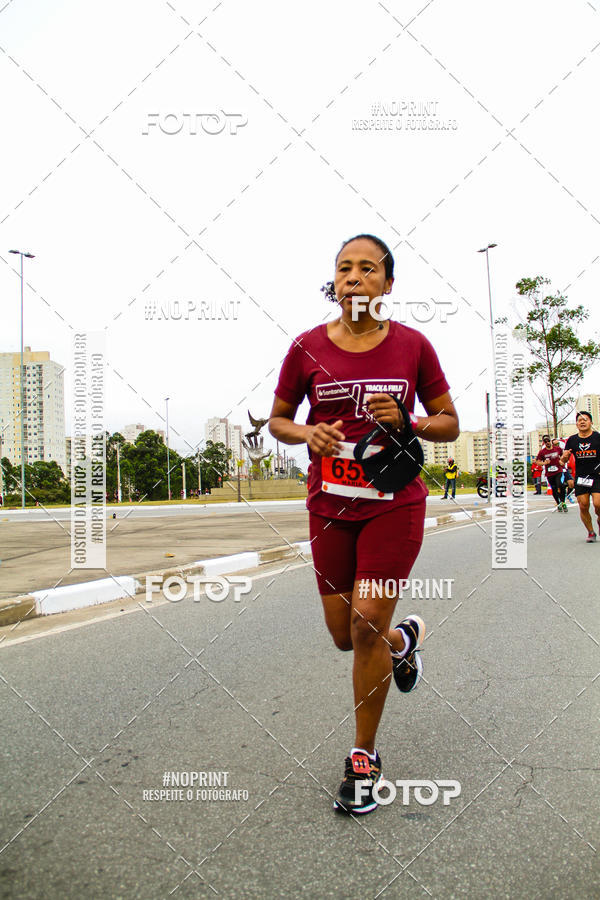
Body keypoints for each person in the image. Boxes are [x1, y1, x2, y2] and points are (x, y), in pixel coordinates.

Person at [269, 234, 459, 815]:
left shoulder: (413, 346)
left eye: (368, 269)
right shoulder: (305, 348)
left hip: (392, 501)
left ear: (388, 284)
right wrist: (307, 434)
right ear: (336, 282)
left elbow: (451, 423)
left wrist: (410, 419)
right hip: (330, 506)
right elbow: (278, 421)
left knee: (367, 621)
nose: (355, 277)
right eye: (344, 269)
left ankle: (364, 756)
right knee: (343, 634)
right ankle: (406, 644)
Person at [561, 411, 600, 542]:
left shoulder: (598, 437)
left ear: (591, 422)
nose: (582, 422)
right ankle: (591, 532)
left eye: (585, 419)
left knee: (598, 504)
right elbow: (563, 461)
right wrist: (564, 458)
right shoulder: (572, 440)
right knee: (583, 505)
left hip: (597, 476)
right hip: (581, 477)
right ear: (576, 424)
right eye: (579, 420)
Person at [536, 434, 567, 511]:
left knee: (560, 485)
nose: (547, 443)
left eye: (548, 441)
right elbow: (538, 462)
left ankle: (563, 502)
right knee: (554, 488)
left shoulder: (558, 449)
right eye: (545, 441)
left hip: (558, 471)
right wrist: (544, 463)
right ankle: (558, 502)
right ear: (544, 443)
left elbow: (564, 457)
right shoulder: (542, 452)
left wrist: (562, 461)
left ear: (550, 441)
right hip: (549, 473)